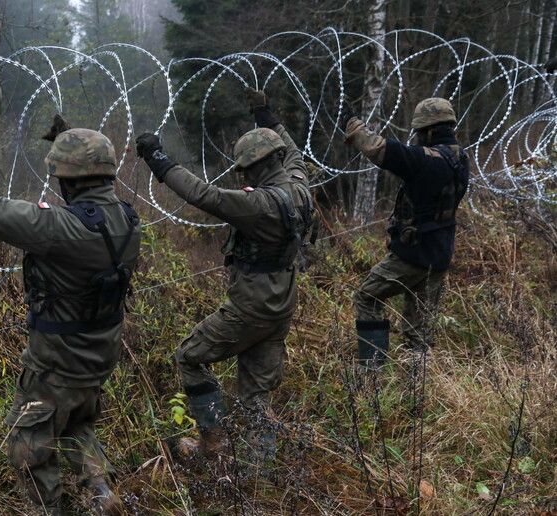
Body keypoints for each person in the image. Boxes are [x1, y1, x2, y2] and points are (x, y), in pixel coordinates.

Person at [0, 112, 140, 516]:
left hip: (56, 363)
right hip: (99, 355)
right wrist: (71, 141)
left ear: (67, 180)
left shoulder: (58, 228)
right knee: (73, 423)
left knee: (27, 449)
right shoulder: (126, 219)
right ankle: (102, 493)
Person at [135, 88, 315, 465]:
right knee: (256, 394)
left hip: (250, 309)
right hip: (281, 305)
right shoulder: (299, 185)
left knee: (188, 357)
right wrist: (266, 115)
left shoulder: (258, 205)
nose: (243, 176)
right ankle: (258, 472)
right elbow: (294, 151)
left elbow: (203, 195)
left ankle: (213, 444)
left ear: (255, 167)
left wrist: (157, 158)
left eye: (246, 169)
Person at [339, 97, 469, 369]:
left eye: (420, 133)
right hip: (439, 253)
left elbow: (380, 149)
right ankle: (417, 386)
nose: (417, 138)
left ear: (428, 131)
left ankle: (372, 370)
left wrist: (354, 126)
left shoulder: (426, 160)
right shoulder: (460, 158)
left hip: (413, 253)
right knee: (419, 328)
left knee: (367, 296)